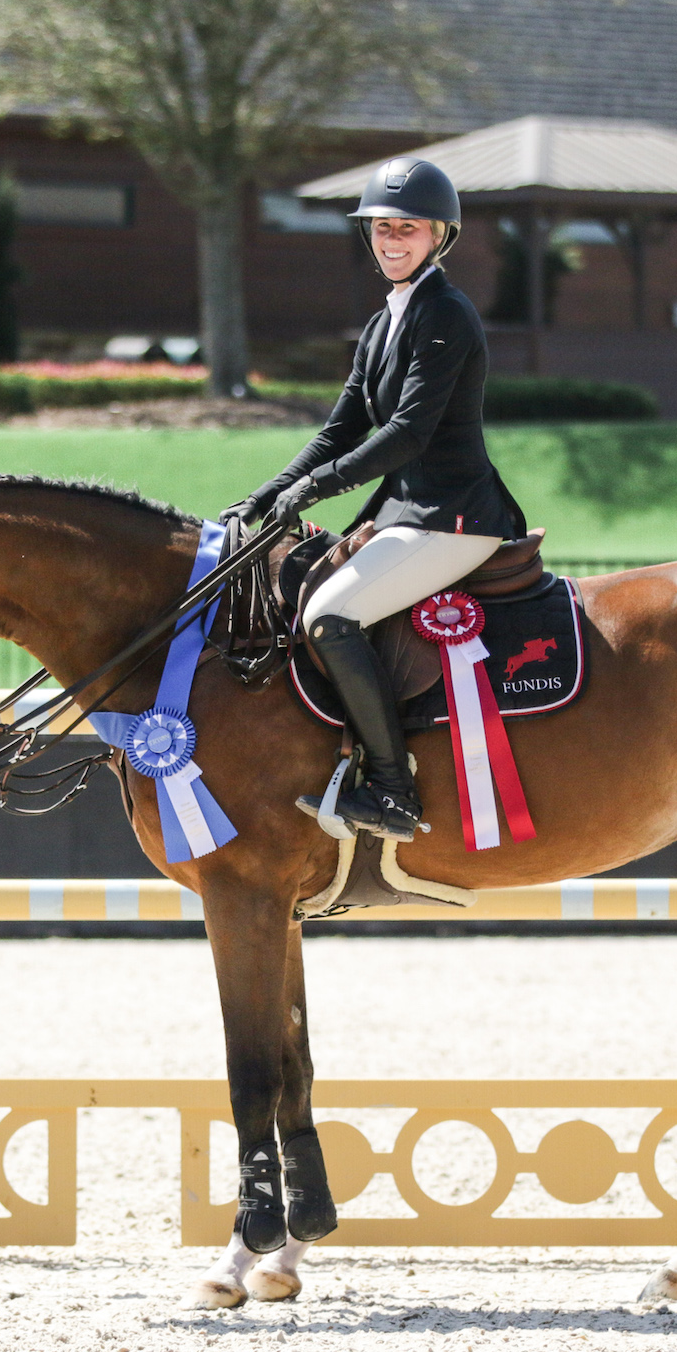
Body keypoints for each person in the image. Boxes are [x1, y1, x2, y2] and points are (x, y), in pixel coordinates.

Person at [221, 157, 524, 842]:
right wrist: (267, 493)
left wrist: (317, 488)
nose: (391, 240)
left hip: (453, 517)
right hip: (405, 516)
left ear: (439, 235)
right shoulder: (386, 320)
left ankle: (392, 789)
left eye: (406, 229)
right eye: (382, 228)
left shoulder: (445, 314)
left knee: (329, 615)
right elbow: (340, 428)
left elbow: (408, 433)